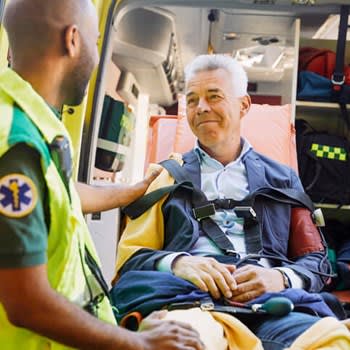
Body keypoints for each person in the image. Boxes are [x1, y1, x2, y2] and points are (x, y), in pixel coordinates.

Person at [0, 1, 205, 349]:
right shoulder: (17, 146)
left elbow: (59, 196)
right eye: (96, 45)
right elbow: (27, 305)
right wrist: (140, 343)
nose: (96, 61)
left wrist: (132, 190)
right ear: (72, 40)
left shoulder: (28, 121)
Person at [113, 54, 350, 349]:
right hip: (191, 304)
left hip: (274, 308)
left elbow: (316, 262)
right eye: (192, 100)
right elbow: (130, 258)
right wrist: (178, 263)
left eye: (214, 97)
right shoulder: (165, 177)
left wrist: (280, 277)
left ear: (243, 105)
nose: (201, 108)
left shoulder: (283, 179)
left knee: (335, 342)